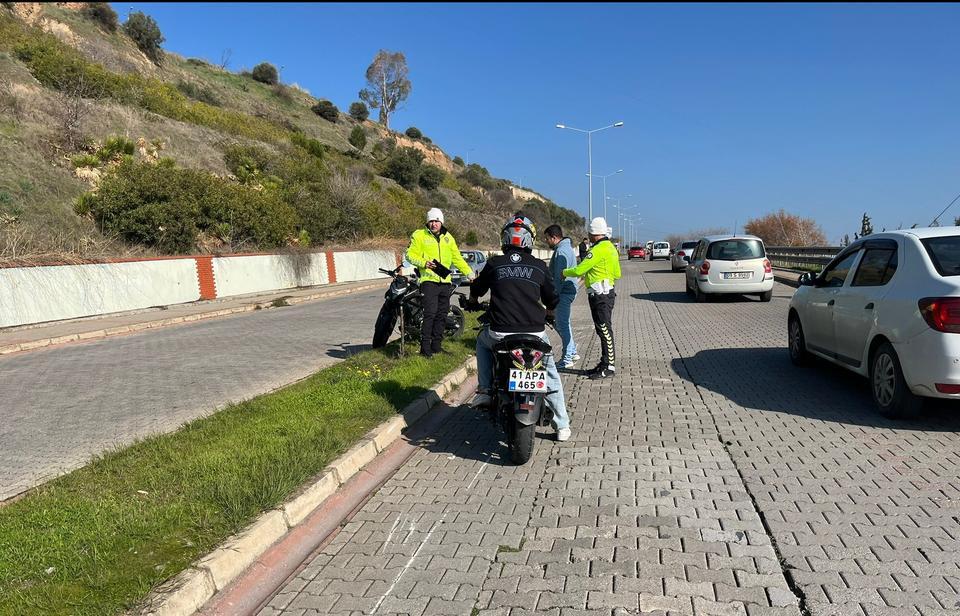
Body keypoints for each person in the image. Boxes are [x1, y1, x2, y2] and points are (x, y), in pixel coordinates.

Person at [468, 214, 572, 442]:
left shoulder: (495, 263)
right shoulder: (538, 266)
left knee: (482, 342)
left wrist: (473, 301)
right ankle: (562, 424)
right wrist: (550, 313)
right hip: (534, 333)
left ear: (505, 238)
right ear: (530, 240)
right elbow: (552, 298)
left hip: (499, 333)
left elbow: (477, 288)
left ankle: (485, 391)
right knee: (550, 374)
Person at [405, 207, 473, 357]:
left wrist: (469, 273)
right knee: (430, 313)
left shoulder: (448, 237)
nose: (434, 224)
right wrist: (424, 263)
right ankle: (425, 348)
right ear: (427, 222)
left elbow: (457, 258)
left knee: (442, 314)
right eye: (431, 221)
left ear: (441, 222)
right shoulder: (419, 235)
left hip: (445, 281)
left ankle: (436, 346)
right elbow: (410, 255)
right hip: (429, 280)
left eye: (436, 221)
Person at [563, 216, 621, 379]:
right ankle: (604, 363)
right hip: (606, 293)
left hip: (600, 296)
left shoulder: (597, 250)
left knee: (604, 330)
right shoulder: (611, 248)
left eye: (590, 233)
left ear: (594, 233)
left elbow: (580, 269)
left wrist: (564, 273)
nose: (588, 235)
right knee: (602, 329)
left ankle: (609, 366)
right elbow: (617, 273)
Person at [544, 224, 580, 369]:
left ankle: (567, 359)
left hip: (563, 293)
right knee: (564, 324)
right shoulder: (564, 248)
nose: (546, 241)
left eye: (547, 238)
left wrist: (551, 301)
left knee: (562, 325)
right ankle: (572, 351)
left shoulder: (561, 252)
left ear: (554, 237)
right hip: (567, 291)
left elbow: (559, 279)